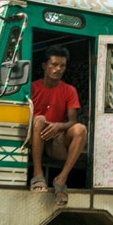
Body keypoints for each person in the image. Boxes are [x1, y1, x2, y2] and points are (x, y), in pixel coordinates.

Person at [29, 51, 87, 198]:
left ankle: (61, 179)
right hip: (34, 138)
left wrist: (58, 126)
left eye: (62, 66)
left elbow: (72, 121)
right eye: (54, 64)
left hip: (56, 140)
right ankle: (38, 174)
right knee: (39, 119)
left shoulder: (69, 90)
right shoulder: (32, 88)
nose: (58, 69)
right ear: (44, 66)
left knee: (81, 129)